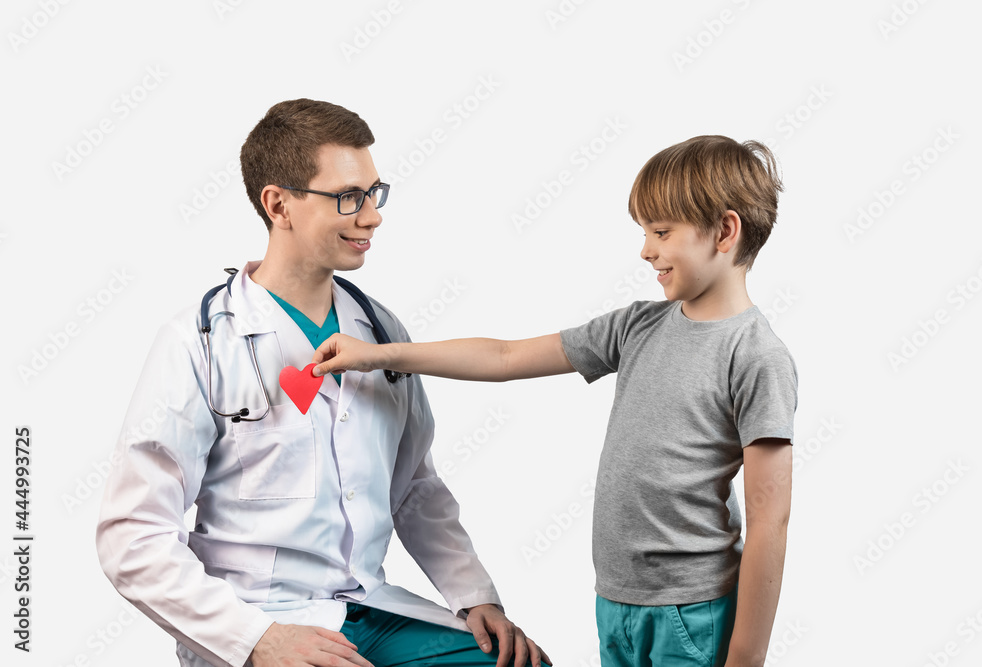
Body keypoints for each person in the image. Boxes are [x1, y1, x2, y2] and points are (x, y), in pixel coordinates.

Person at [310, 136, 798, 667]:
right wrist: (378, 354)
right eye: (644, 233)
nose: (645, 250)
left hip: (694, 613)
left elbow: (769, 522)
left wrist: (744, 658)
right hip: (618, 604)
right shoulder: (638, 326)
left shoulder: (755, 356)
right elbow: (504, 357)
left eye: (661, 233)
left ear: (725, 231)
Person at [96, 99, 549, 667]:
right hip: (256, 617)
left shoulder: (381, 332)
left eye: (374, 193)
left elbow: (414, 486)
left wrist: (474, 594)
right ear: (278, 204)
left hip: (369, 607)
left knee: (521, 665)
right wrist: (257, 639)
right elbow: (133, 535)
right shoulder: (200, 341)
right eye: (348, 197)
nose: (373, 216)